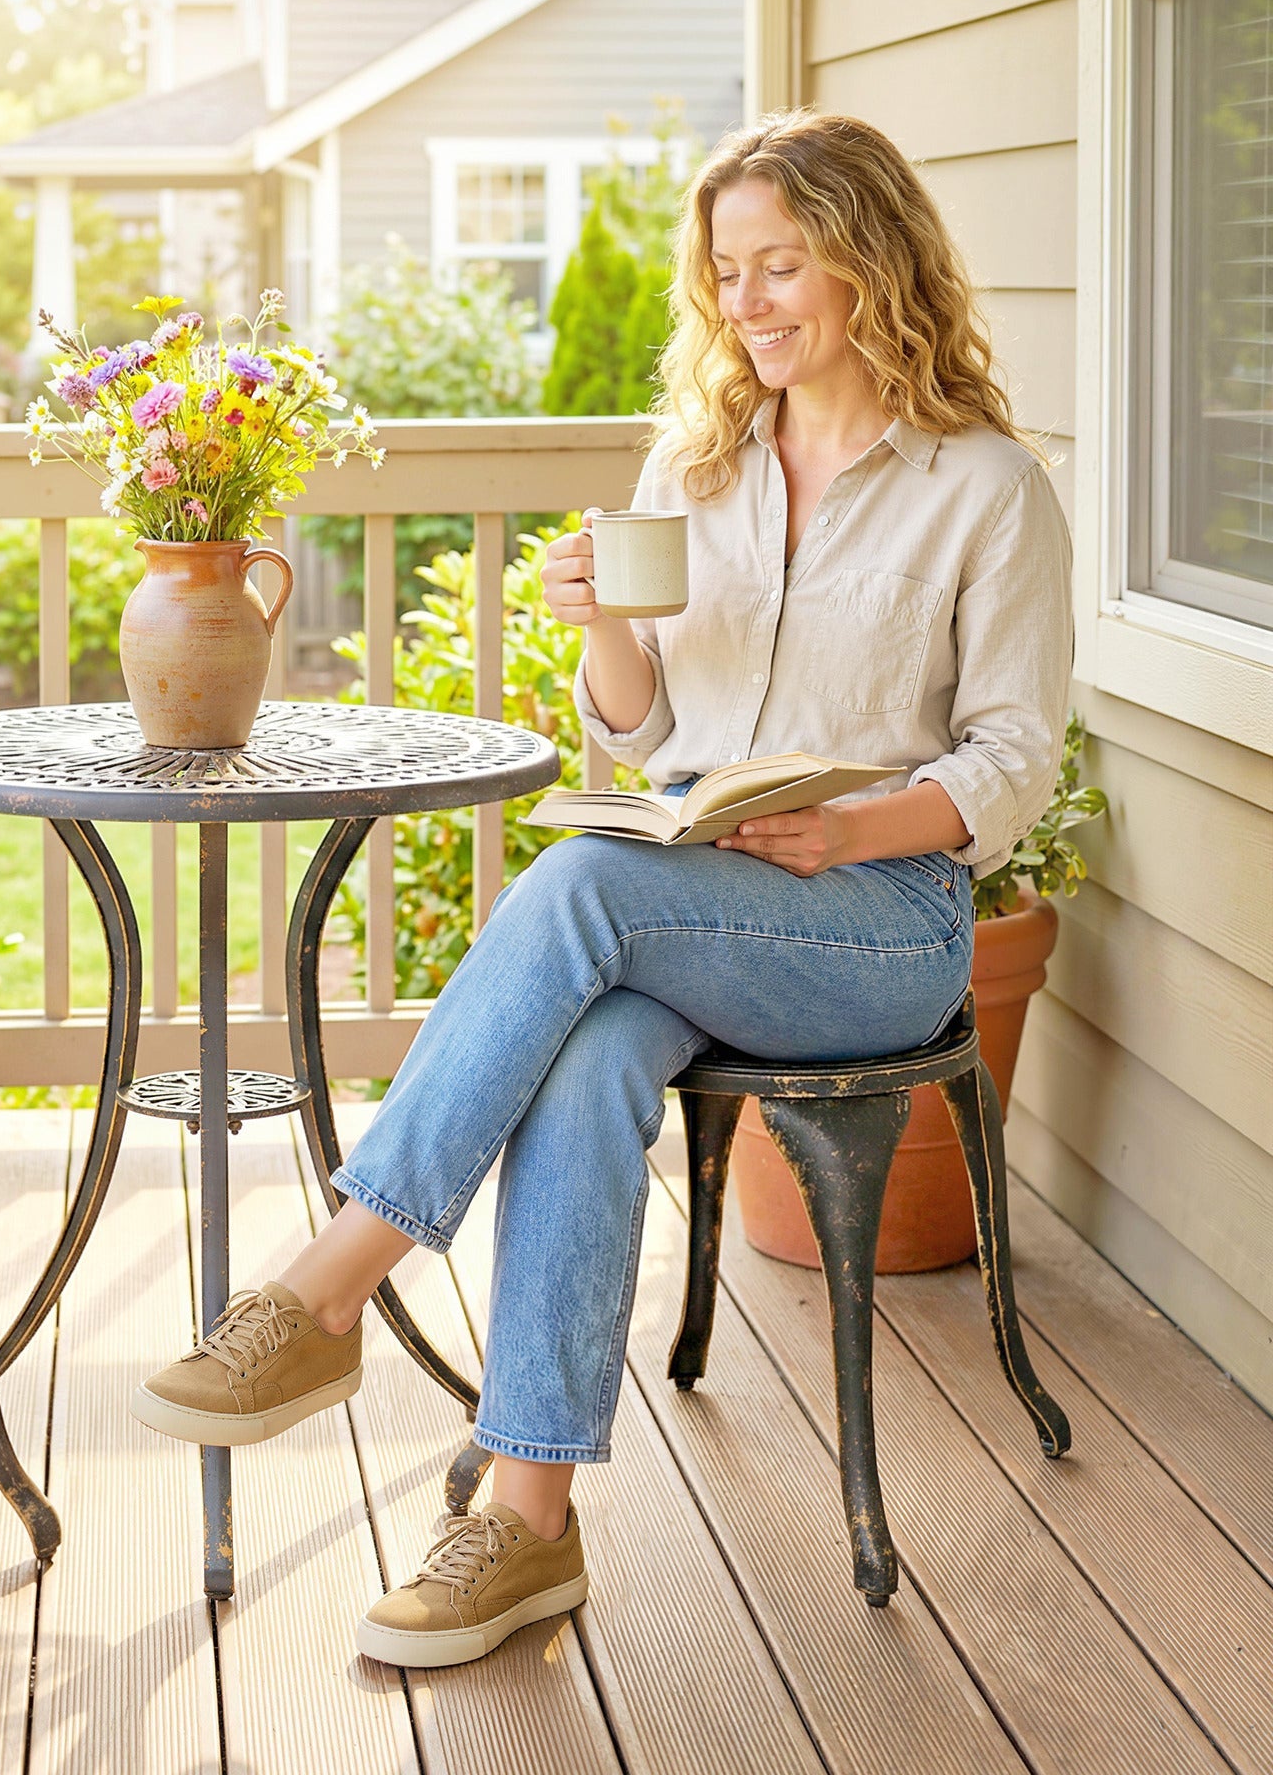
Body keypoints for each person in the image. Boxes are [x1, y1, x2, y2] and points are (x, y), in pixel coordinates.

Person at [130, 108, 1074, 1669]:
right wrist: (600, 624)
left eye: (782, 265)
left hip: (879, 917)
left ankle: (330, 1286)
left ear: (872, 263)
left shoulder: (984, 487)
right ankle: (528, 1523)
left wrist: (849, 832)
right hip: (695, 892)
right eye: (728, 271)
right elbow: (640, 732)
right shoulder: (696, 468)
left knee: (579, 888)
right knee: (585, 1054)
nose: (749, 301)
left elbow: (1015, 758)